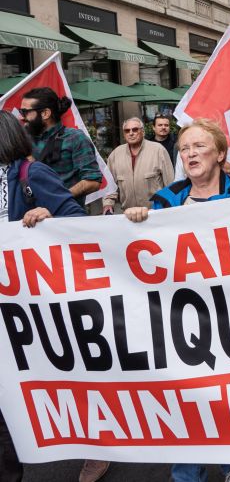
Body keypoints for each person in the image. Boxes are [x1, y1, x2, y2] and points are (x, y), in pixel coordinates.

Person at [124, 118, 230, 482]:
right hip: (184, 317)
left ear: (221, 154)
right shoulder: (166, 203)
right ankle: (186, 473)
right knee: (186, 396)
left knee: (229, 394)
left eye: (199, 146)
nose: (190, 153)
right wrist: (137, 220)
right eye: (184, 148)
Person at [0, 110, 85, 482]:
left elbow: (77, 220)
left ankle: (92, 446)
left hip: (25, 305)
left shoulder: (31, 175)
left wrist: (48, 215)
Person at [19, 87, 101, 206]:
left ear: (45, 113)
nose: (21, 117)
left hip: (64, 217)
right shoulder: (23, 139)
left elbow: (93, 181)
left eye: (25, 112)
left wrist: (58, 198)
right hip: (29, 219)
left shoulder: (75, 138)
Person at [102, 117, 174, 214]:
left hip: (155, 213)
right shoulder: (115, 154)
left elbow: (170, 183)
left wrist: (171, 209)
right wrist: (108, 204)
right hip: (128, 215)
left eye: (135, 130)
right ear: (124, 134)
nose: (131, 133)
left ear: (143, 132)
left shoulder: (158, 150)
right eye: (127, 131)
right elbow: (109, 185)